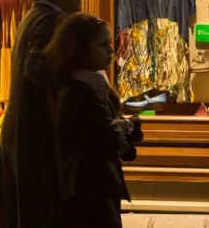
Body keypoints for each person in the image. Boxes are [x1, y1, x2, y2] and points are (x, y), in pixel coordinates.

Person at [0, 0, 84, 228]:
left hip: (26, 135)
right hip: (34, 138)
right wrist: (80, 76)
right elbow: (35, 66)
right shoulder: (48, 20)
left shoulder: (37, 16)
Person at [45, 14, 141, 228]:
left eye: (108, 43)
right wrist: (129, 130)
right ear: (80, 50)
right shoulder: (77, 91)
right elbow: (103, 130)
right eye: (101, 44)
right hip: (87, 186)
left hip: (95, 183)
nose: (110, 50)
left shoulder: (94, 83)